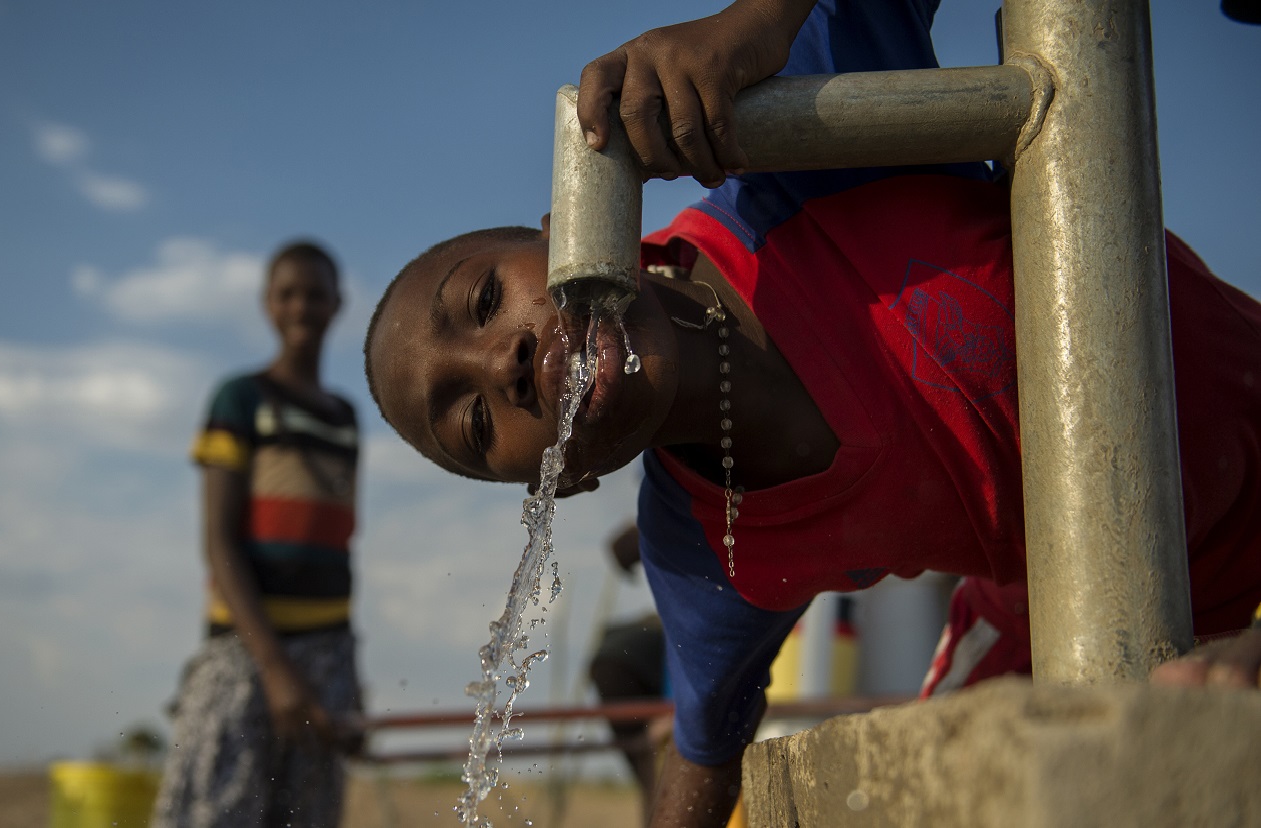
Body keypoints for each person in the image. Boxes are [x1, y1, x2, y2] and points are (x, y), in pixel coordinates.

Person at [363, 2, 1261, 826]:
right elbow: (703, 748)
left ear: (571, 225)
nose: (501, 365)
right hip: (1111, 609)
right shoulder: (705, 546)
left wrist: (758, 19)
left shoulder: (801, 163)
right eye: (476, 424)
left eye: (483, 300)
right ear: (562, 482)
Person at [153, 240, 363, 828]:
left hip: (327, 652)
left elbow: (341, 543)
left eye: (315, 295)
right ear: (268, 306)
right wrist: (273, 666)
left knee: (308, 815)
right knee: (217, 810)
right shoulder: (240, 399)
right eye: (288, 294)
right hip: (247, 650)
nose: (302, 307)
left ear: (336, 305)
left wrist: (351, 679)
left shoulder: (344, 418)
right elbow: (219, 542)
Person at [587, 524, 670, 826]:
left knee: (647, 765)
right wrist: (670, 713)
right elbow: (679, 667)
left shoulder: (657, 622)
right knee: (655, 767)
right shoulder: (670, 629)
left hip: (606, 664)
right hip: (622, 669)